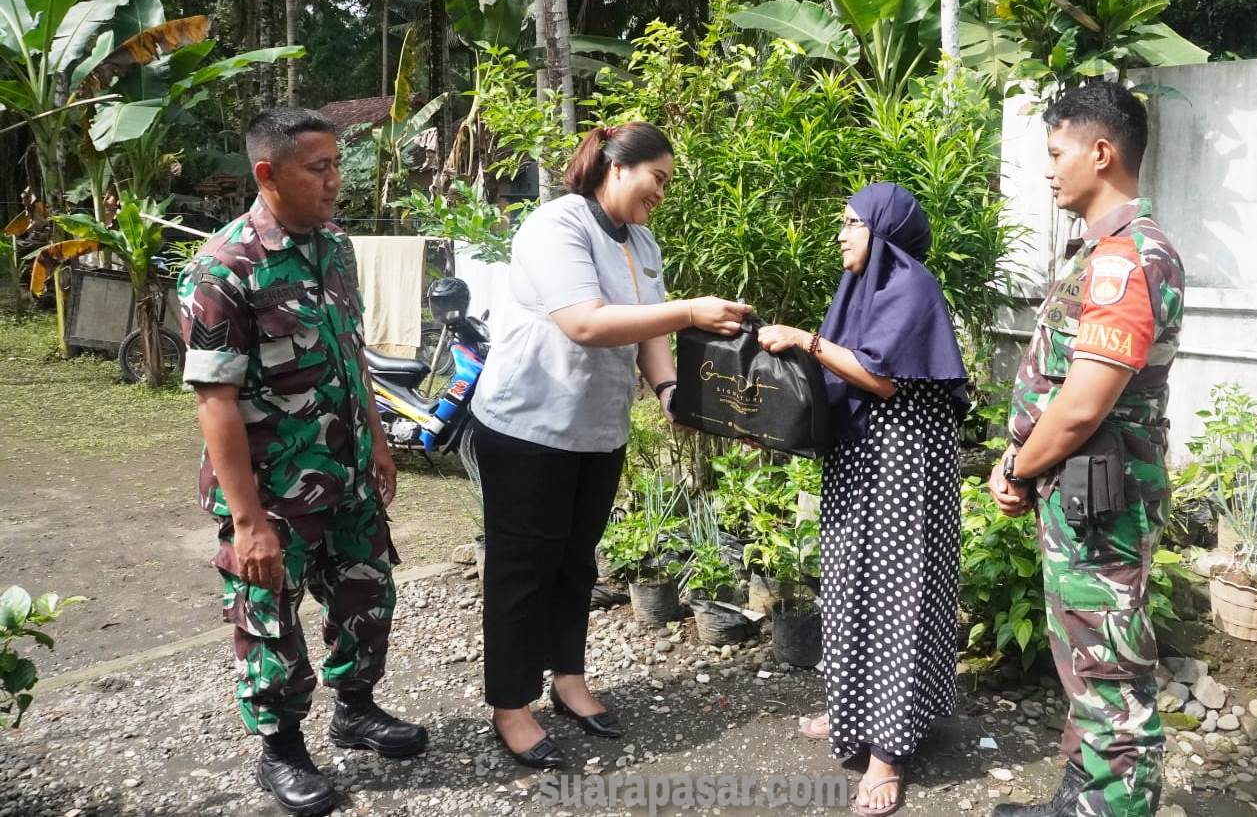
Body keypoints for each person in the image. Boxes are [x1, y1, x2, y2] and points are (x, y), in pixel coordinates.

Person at [468, 121, 751, 769]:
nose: (663, 193)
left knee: (576, 563)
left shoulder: (642, 241)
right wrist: (689, 311)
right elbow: (587, 321)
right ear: (618, 167)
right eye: (659, 178)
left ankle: (568, 679)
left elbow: (647, 330)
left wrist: (670, 391)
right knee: (522, 569)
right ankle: (510, 705)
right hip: (527, 427)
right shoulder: (558, 225)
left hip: (597, 431)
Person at [178, 108, 427, 817]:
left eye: (335, 166)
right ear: (268, 174)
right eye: (318, 168)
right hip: (272, 490)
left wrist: (378, 439)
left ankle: (355, 708)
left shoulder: (336, 248)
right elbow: (216, 403)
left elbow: (352, 354)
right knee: (270, 618)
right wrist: (249, 521)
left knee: (366, 592)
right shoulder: (223, 268)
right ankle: (281, 749)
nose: (333, 181)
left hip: (345, 471)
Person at [988, 82, 1184, 817]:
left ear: (1101, 153)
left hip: (1101, 499)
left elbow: (1081, 405)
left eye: (1056, 151)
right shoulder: (1100, 250)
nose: (1048, 168)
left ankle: (1113, 808)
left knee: (1109, 665)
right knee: (1085, 656)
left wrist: (1016, 464)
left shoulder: (1128, 258)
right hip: (1078, 493)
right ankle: (1084, 797)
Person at [758, 182, 970, 817]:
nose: (842, 234)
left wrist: (804, 338)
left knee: (897, 596)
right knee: (851, 584)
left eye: (853, 222)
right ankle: (851, 709)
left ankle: (887, 753)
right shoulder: (859, 289)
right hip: (861, 464)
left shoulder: (911, 287)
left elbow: (877, 376)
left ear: (884, 229)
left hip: (903, 470)